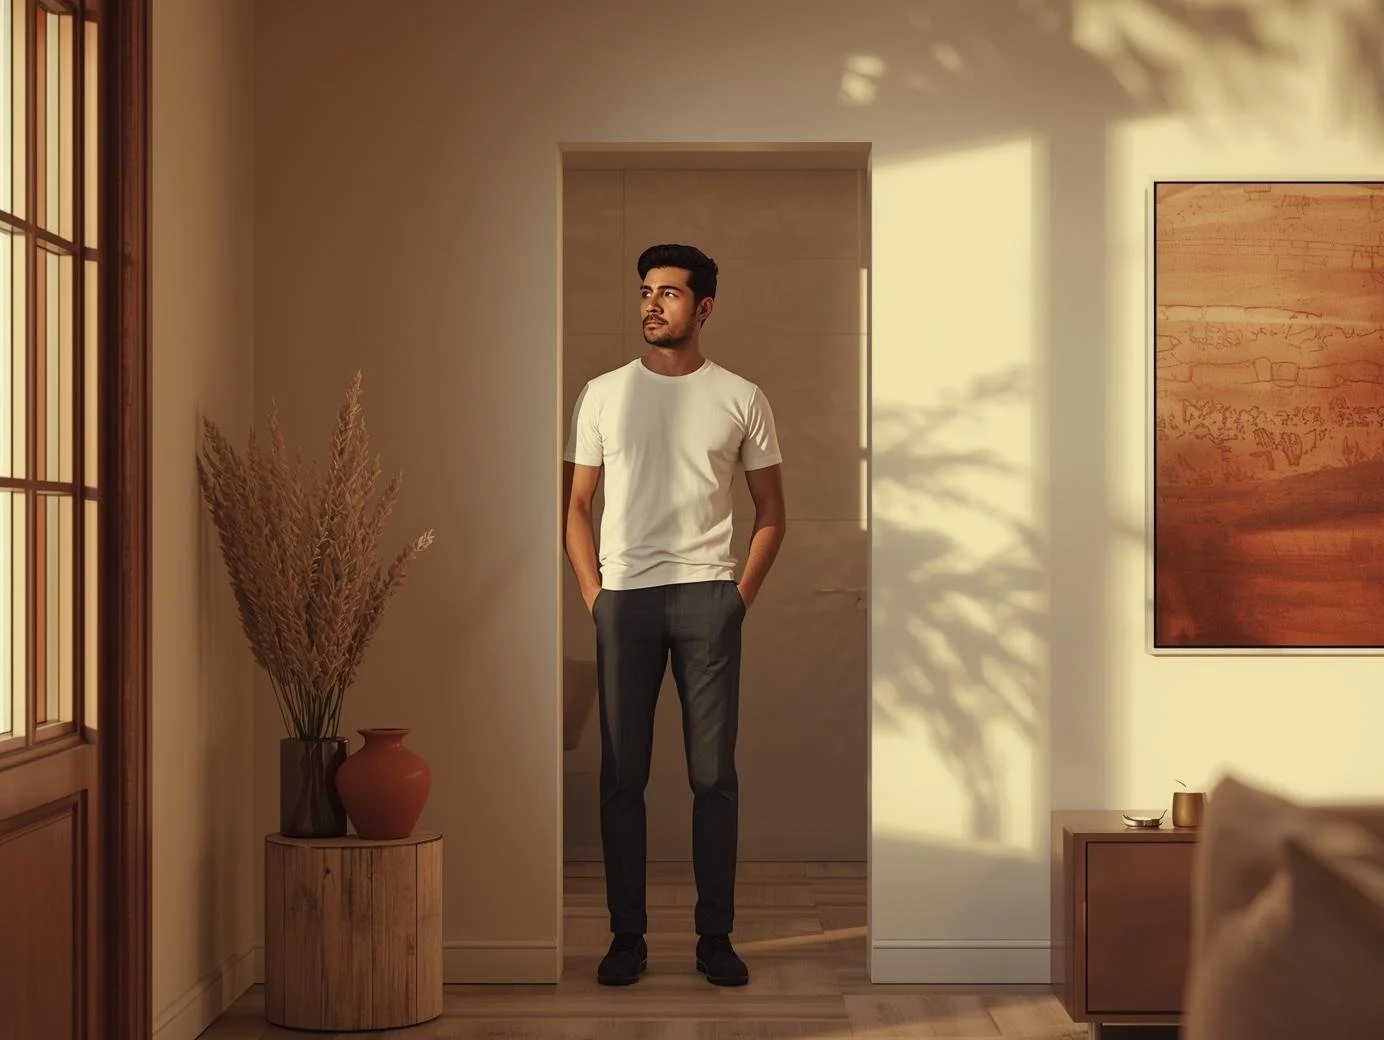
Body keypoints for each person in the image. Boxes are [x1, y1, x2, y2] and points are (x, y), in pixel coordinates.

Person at [562, 243, 787, 987]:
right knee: (621, 777)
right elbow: (575, 506)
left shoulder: (741, 396)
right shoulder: (601, 393)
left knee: (712, 776)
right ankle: (627, 938)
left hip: (707, 600)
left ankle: (714, 938)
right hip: (623, 602)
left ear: (705, 307)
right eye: (645, 291)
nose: (652, 303)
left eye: (670, 292)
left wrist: (735, 599)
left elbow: (773, 513)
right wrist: (596, 597)